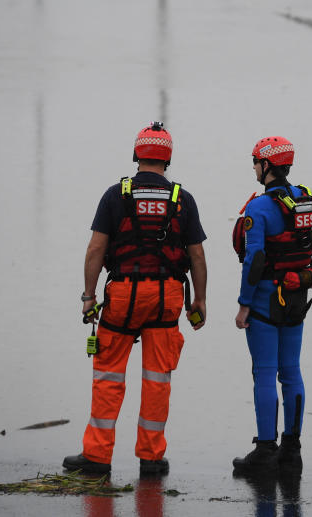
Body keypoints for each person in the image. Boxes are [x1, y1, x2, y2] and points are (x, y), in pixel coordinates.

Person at [63, 121, 208, 476]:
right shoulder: (182, 199)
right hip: (166, 298)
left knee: (109, 376)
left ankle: (97, 457)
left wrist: (88, 296)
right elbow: (197, 257)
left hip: (123, 296)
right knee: (157, 379)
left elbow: (96, 248)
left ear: (136, 154)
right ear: (167, 159)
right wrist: (199, 301)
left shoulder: (116, 195)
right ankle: (151, 458)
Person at [231, 136, 312, 475]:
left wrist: (244, 304)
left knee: (264, 371)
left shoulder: (259, 208)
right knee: (291, 371)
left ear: (267, 166)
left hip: (264, 300)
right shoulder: (308, 201)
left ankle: (264, 451)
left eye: (255, 162)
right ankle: (292, 451)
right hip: (296, 299)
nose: (253, 168)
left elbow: (255, 259)